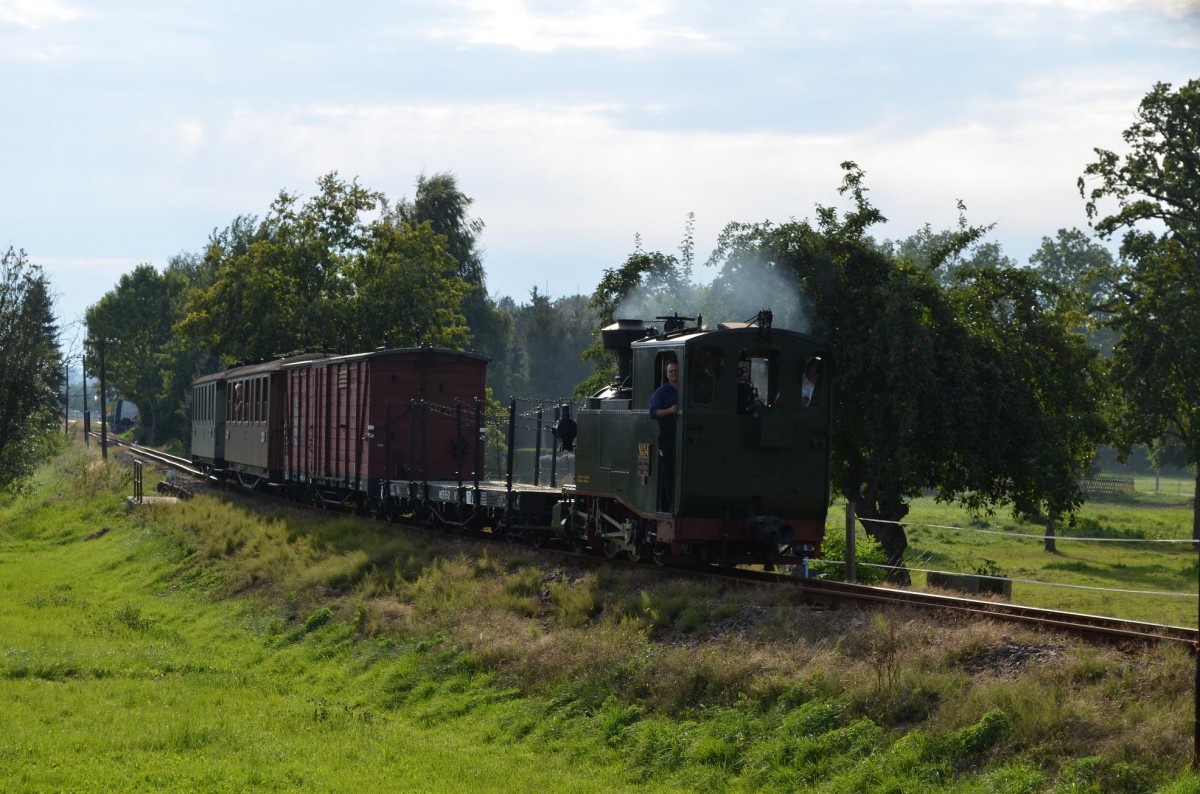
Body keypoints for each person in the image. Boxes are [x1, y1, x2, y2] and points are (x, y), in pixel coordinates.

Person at [649, 360, 679, 511]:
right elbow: (653, 413)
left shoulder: (687, 389)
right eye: (671, 371)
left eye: (676, 371)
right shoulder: (661, 392)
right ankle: (670, 502)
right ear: (667, 374)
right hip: (668, 433)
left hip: (685, 434)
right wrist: (670, 411)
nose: (674, 373)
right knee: (668, 468)